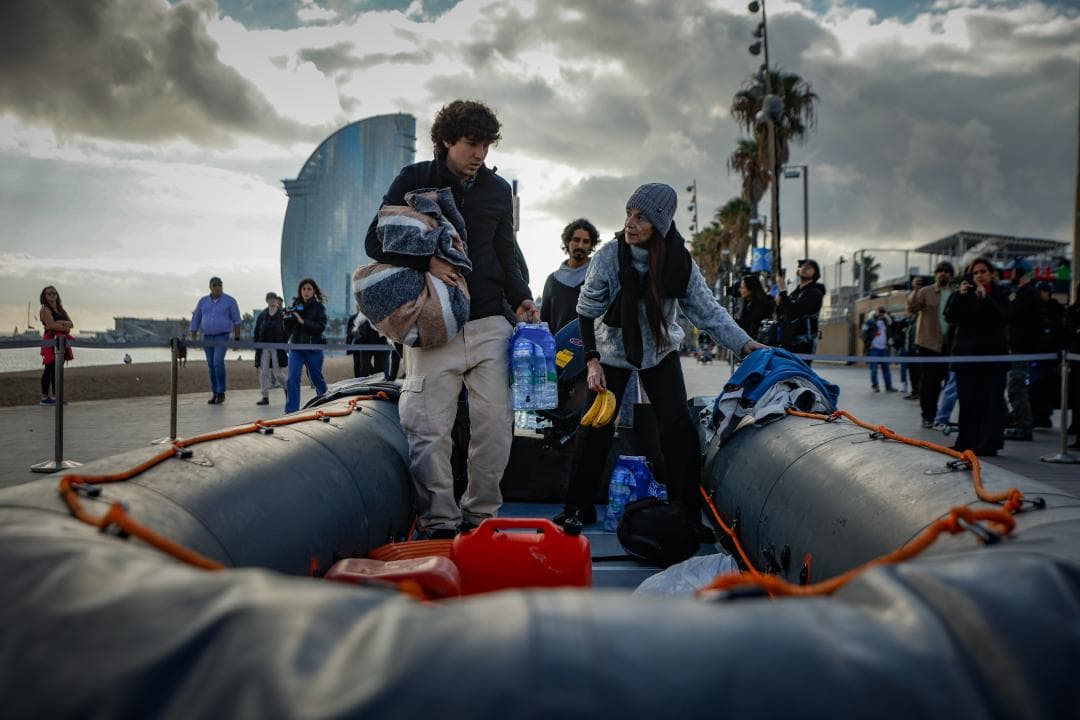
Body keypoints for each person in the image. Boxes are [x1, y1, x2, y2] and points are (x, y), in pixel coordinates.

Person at [364, 99, 537, 540]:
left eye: (486, 145)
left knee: (495, 429)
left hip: (490, 322)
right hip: (433, 326)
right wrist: (426, 262)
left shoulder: (498, 191)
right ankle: (439, 523)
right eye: (471, 143)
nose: (480, 154)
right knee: (428, 430)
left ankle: (480, 518)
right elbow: (375, 242)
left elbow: (506, 252)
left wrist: (521, 298)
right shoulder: (413, 179)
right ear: (445, 140)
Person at [553, 183, 766, 530]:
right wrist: (591, 361)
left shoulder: (678, 262)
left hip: (659, 349)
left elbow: (708, 312)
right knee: (595, 428)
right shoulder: (609, 256)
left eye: (641, 217)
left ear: (660, 223)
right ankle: (578, 507)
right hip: (611, 351)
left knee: (678, 428)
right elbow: (586, 311)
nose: (630, 223)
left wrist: (744, 344)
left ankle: (684, 510)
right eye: (628, 214)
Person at [944, 257, 1009, 457]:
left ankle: (988, 443)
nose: (979, 275)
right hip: (967, 357)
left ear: (991, 274)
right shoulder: (963, 293)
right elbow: (950, 316)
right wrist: (960, 296)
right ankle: (966, 442)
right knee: (968, 402)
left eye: (983, 271)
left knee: (991, 402)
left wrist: (986, 298)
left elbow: (1003, 317)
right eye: (975, 272)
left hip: (992, 358)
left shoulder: (1001, 293)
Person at [907, 262, 955, 428]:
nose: (943, 273)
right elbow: (912, 309)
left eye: (947, 271)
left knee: (948, 382)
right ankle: (928, 416)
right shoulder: (925, 291)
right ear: (935, 274)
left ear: (951, 275)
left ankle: (941, 416)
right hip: (928, 344)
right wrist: (915, 290)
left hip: (949, 345)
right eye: (940, 271)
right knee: (929, 382)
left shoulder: (956, 293)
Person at [540, 218, 600, 333]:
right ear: (567, 242)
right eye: (576, 240)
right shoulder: (552, 281)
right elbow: (544, 322)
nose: (580, 245)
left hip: (591, 343)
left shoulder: (598, 277)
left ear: (591, 245)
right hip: (559, 343)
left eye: (586, 241)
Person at [190, 276, 242, 404]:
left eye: (220, 285)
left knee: (218, 362)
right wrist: (193, 337)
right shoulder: (203, 301)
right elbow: (196, 318)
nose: (217, 287)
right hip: (207, 337)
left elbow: (237, 320)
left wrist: (237, 338)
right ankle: (214, 393)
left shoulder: (230, 301)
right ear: (210, 287)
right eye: (215, 285)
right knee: (211, 365)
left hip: (222, 336)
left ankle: (221, 392)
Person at [1004, 259, 1039, 441]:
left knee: (1016, 387)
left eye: (1012, 272)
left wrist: (1011, 300)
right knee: (1014, 387)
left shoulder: (1028, 294)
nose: (1009, 276)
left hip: (1021, 348)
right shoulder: (1024, 293)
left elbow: (1013, 315)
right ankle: (1018, 421)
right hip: (1016, 347)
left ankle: (1023, 427)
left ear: (1020, 272)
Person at [282, 278, 328, 413]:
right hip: (296, 348)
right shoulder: (295, 307)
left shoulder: (319, 308)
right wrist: (286, 319)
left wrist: (303, 321)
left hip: (313, 348)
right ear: (300, 291)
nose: (306, 291)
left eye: (309, 289)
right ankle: (291, 411)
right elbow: (289, 330)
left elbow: (320, 327)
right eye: (303, 289)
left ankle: (325, 403)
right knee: (292, 378)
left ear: (314, 291)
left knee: (316, 378)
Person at [774, 259, 824, 364]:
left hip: (802, 342)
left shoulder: (815, 293)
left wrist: (783, 290)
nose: (804, 268)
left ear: (815, 273)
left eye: (809, 267)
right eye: (802, 266)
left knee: (800, 371)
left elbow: (794, 312)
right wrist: (779, 303)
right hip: (788, 340)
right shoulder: (795, 293)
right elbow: (783, 313)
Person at [38, 285, 74, 406]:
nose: (52, 296)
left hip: (62, 341)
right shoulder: (44, 309)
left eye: (54, 293)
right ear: (44, 296)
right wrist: (65, 327)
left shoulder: (61, 309)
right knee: (49, 369)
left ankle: (56, 397)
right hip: (50, 340)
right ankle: (44, 398)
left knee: (58, 370)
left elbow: (72, 324)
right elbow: (50, 325)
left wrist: (60, 322)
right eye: (49, 293)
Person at [254, 292, 289, 406]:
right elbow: (257, 330)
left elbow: (287, 331)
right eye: (269, 299)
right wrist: (256, 345)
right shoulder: (262, 315)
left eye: (273, 299)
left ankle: (288, 389)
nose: (272, 301)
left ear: (276, 300)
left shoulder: (282, 315)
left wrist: (285, 344)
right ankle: (265, 397)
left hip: (277, 348)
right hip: (264, 347)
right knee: (263, 372)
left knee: (278, 373)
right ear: (266, 300)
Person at [346, 305, 388, 378]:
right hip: (366, 342)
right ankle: (366, 381)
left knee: (379, 368)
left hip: (379, 342)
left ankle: (377, 380)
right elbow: (353, 330)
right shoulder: (361, 316)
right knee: (364, 368)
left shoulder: (381, 313)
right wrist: (361, 340)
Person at [862, 306, 897, 392]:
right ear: (876, 312)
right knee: (874, 369)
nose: (881, 313)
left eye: (883, 312)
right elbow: (863, 334)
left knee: (886, 368)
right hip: (874, 349)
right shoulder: (869, 322)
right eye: (880, 312)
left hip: (884, 349)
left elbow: (892, 330)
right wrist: (869, 344)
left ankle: (888, 386)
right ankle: (875, 386)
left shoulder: (886, 322)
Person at [1064, 283, 1080, 448]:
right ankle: (1076, 425)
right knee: (1076, 395)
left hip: (1075, 356)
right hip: (1076, 357)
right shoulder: (1073, 310)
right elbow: (1069, 332)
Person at [736, 274, 774, 341]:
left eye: (743, 287)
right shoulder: (748, 303)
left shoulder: (761, 306)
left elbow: (752, 329)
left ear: (750, 289)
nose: (740, 290)